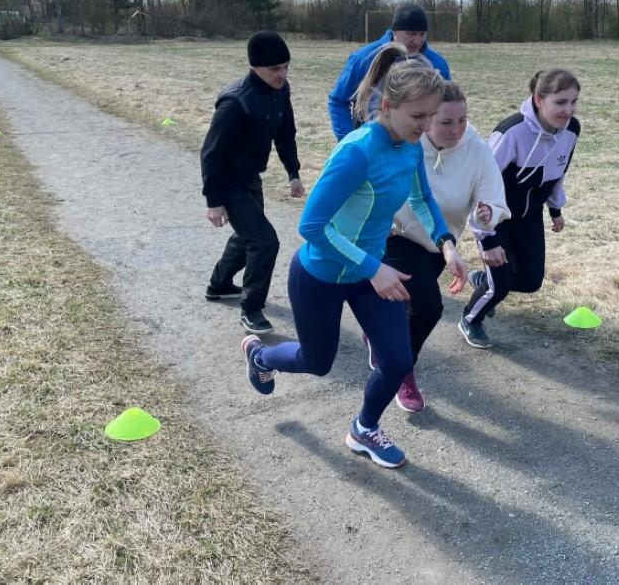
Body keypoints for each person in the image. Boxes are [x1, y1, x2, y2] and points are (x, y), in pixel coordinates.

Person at [241, 43, 468, 469]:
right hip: (322, 274)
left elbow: (422, 199)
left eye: (430, 116)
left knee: (398, 360)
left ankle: (364, 429)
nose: (425, 126)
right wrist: (373, 267)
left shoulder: (411, 147)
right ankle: (260, 356)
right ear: (387, 105)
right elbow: (311, 226)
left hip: (371, 273)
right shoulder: (357, 151)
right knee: (317, 362)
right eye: (417, 116)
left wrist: (447, 244)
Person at [384, 80, 510, 411]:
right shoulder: (407, 141)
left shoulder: (477, 148)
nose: (456, 130)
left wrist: (488, 212)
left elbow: (495, 197)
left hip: (442, 243)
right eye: (446, 122)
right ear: (427, 120)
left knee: (403, 304)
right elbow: (373, 181)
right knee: (427, 307)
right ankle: (402, 370)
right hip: (396, 234)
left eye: (462, 120)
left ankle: (383, 337)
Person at [461, 68, 581, 348]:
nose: (568, 110)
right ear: (539, 100)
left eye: (574, 102)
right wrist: (487, 237)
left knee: (530, 281)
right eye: (560, 102)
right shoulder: (511, 132)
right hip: (495, 218)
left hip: (529, 216)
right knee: (500, 285)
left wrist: (555, 209)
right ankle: (470, 319)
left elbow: (558, 172)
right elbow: (478, 185)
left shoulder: (572, 130)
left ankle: (484, 281)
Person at [201, 31, 304, 334]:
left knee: (248, 236)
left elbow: (286, 135)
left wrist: (293, 172)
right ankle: (251, 309)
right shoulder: (236, 102)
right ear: (256, 66)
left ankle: (219, 284)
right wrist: (213, 200)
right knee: (264, 241)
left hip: (250, 179)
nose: (282, 74)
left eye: (286, 66)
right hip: (228, 182)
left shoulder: (280, 91)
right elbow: (211, 152)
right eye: (275, 68)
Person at [327, 2, 451, 140]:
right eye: (411, 33)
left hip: (418, 146)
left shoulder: (437, 63)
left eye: (422, 34)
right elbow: (338, 101)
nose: (417, 40)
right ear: (394, 31)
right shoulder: (364, 58)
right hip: (373, 144)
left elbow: (447, 105)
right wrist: (348, 140)